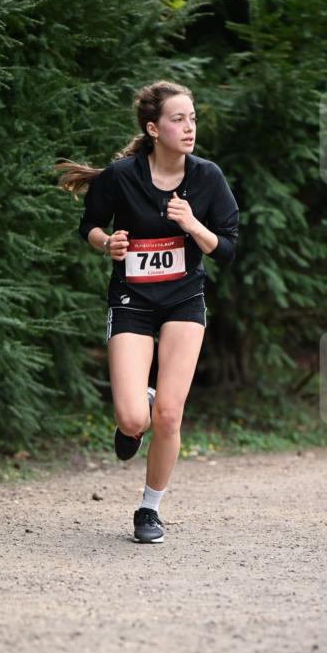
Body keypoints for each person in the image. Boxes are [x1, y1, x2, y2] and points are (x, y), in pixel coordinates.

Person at [56, 80, 239, 543]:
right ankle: (144, 405)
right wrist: (108, 243)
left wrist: (192, 223)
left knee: (171, 417)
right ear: (154, 128)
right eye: (179, 119)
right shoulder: (122, 176)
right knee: (134, 420)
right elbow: (90, 227)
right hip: (132, 301)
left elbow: (229, 249)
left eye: (193, 118)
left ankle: (149, 509)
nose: (189, 126)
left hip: (183, 300)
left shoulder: (207, 177)